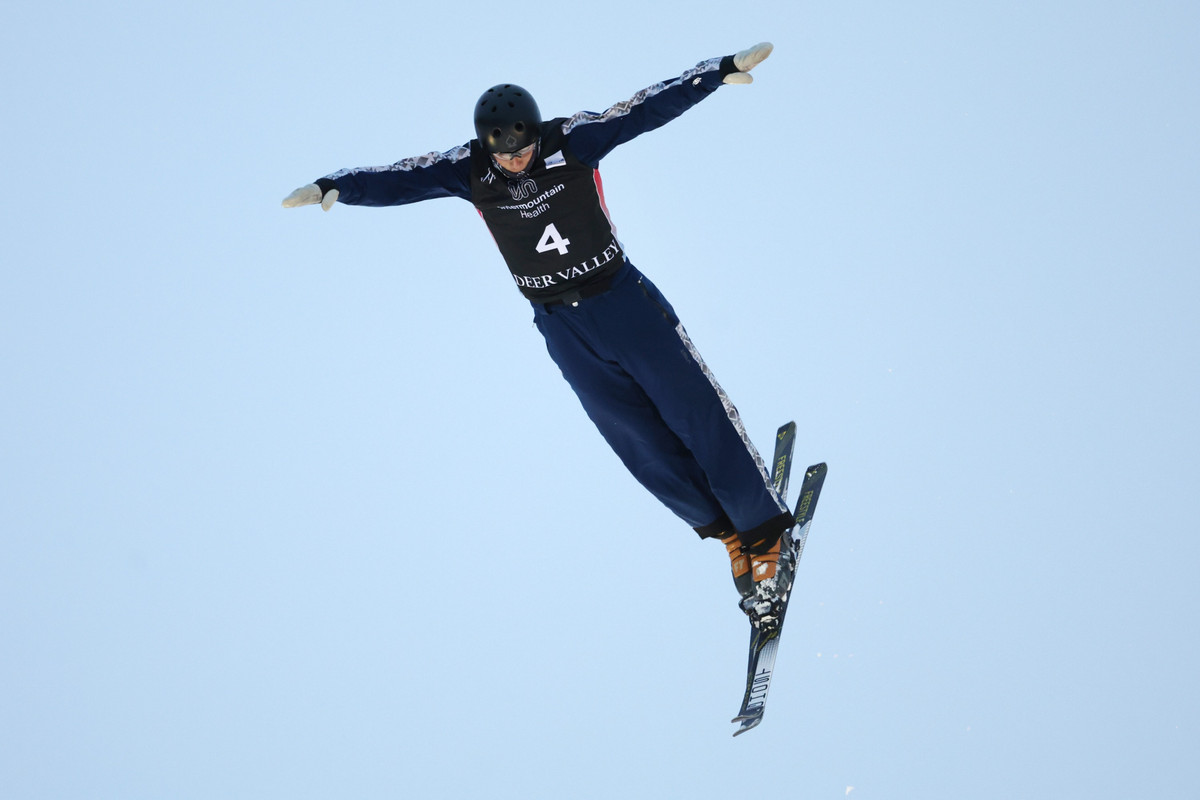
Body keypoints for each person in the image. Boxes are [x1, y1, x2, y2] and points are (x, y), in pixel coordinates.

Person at [283, 43, 796, 625]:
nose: (517, 162)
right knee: (635, 438)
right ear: (487, 146)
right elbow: (402, 178)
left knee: (691, 410)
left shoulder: (571, 141)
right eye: (506, 154)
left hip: (621, 300)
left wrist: (716, 74)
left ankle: (764, 527)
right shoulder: (470, 169)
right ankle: (724, 529)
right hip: (560, 323)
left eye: (524, 150)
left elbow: (641, 110)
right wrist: (338, 187)